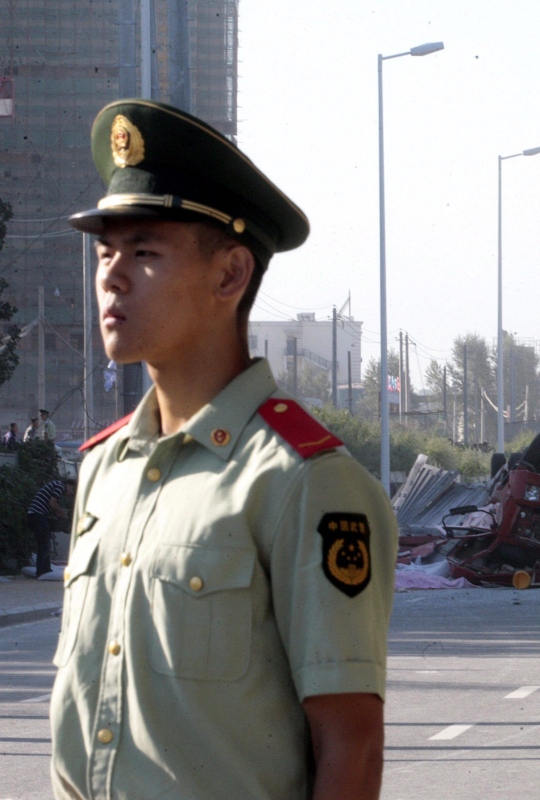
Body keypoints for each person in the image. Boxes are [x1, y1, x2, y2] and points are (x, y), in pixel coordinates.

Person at [52, 99, 397, 800]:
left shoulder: (302, 482)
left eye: (144, 252)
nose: (112, 277)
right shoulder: (104, 471)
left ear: (230, 275)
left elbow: (351, 746)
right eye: (106, 252)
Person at [27, 477, 72, 577]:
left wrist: (57, 514)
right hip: (38, 515)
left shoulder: (56, 485)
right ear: (69, 485)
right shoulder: (60, 486)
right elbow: (52, 503)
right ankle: (41, 571)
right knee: (44, 544)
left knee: (44, 543)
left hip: (35, 514)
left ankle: (46, 569)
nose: (70, 493)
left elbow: (50, 505)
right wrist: (62, 513)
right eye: (72, 490)